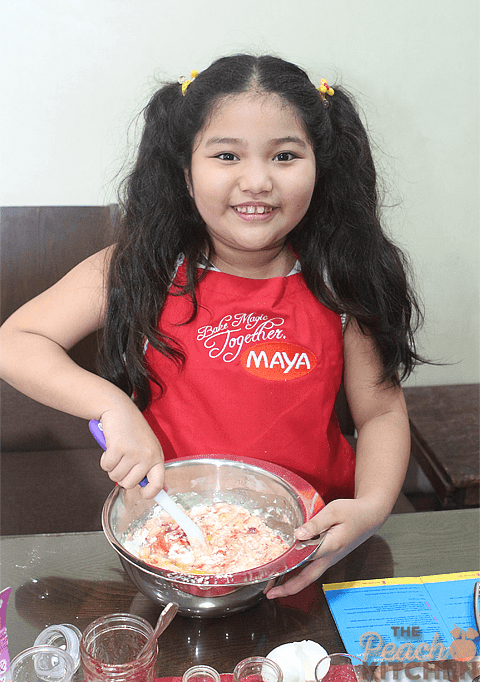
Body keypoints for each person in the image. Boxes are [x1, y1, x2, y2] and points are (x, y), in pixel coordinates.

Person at [0, 54, 424, 598]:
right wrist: (113, 406)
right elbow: (16, 341)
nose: (256, 181)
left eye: (285, 156)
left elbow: (382, 410)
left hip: (311, 540)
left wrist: (370, 507)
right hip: (172, 535)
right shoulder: (142, 268)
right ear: (185, 170)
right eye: (226, 155)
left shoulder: (341, 283)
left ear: (321, 165)